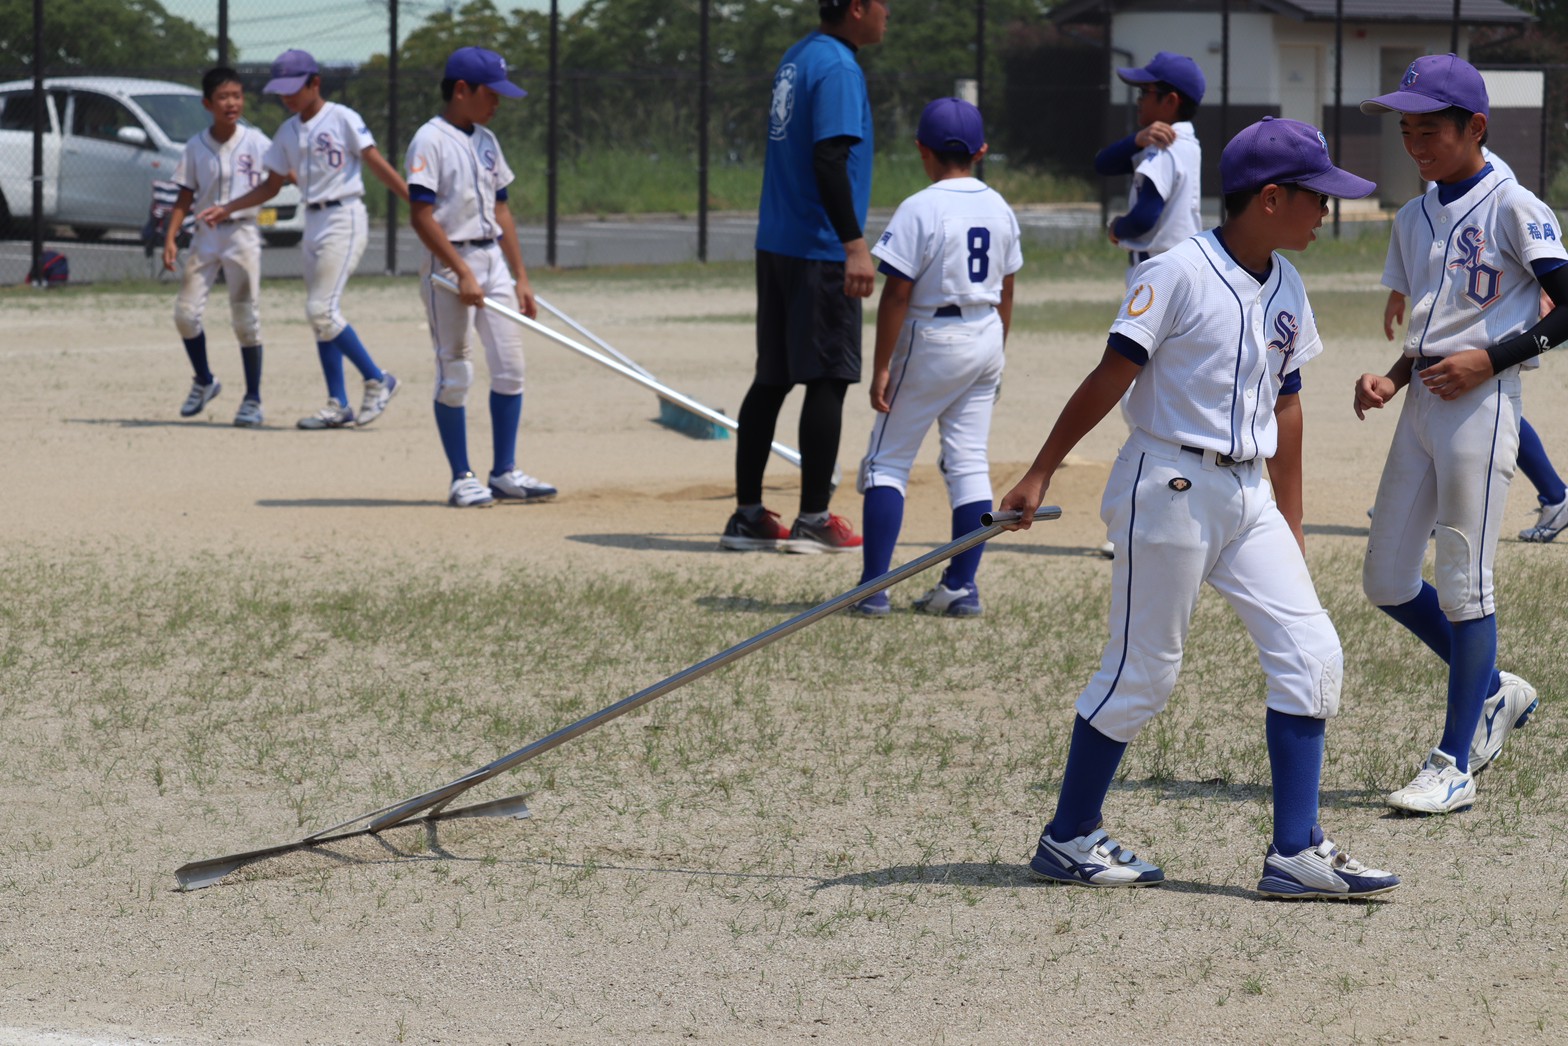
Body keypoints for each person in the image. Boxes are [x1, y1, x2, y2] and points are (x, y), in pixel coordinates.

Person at [999, 117, 1400, 899]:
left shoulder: (1286, 281)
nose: (1328, 212)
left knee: (1313, 655)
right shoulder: (1177, 271)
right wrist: (1041, 471)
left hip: (1248, 495)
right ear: (1273, 198)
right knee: (1142, 674)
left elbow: (1287, 407)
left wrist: (1292, 516)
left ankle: (1296, 851)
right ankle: (1068, 835)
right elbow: (1112, 374)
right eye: (1318, 198)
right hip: (1169, 485)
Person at [1356, 54, 1561, 814]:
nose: (1416, 143)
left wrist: (1491, 358)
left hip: (1485, 402)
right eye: (1406, 130)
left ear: (1475, 126)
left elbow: (1566, 308)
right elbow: (1428, 330)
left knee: (1464, 584)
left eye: (1430, 129)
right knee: (1385, 579)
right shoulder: (1415, 216)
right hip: (1423, 405)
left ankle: (1453, 764)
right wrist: (1392, 377)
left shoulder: (1516, 205)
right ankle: (1496, 689)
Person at [719, 0, 888, 554]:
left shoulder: (799, 55)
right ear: (857, 7)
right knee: (828, 377)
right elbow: (829, 158)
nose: (888, 13)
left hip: (779, 240)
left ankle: (747, 516)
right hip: (818, 246)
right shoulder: (838, 66)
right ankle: (813, 518)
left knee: (772, 378)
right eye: (882, 4)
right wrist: (854, 243)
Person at [851, 97, 1021, 617]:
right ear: (981, 150)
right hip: (986, 330)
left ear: (922, 150)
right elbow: (1008, 288)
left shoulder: (920, 207)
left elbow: (897, 294)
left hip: (931, 335)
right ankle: (961, 587)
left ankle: (873, 590)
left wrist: (882, 366)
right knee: (969, 461)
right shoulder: (999, 206)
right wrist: (998, 352)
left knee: (887, 461)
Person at [198, 50, 408, 430]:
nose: (287, 97)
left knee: (321, 310)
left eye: (294, 88)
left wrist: (414, 199)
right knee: (320, 316)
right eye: (281, 90)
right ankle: (337, 404)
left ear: (315, 83)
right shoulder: (287, 132)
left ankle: (378, 379)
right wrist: (227, 208)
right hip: (312, 220)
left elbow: (375, 161)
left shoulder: (342, 117)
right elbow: (271, 186)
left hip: (344, 215)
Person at [404, 47, 557, 509]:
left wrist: (521, 277)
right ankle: (462, 477)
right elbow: (421, 215)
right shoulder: (428, 140)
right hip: (448, 268)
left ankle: (505, 472)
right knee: (456, 371)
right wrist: (463, 270)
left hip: (492, 263)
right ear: (461, 90)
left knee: (511, 368)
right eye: (491, 94)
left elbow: (502, 210)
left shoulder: (487, 140)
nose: (497, 103)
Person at [1416, 147, 1568, 544]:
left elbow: (1511, 249)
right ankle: (1419, 503)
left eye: (1429, 127)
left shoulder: (1493, 174)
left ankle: (1555, 495)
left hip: (1490, 321)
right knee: (1462, 404)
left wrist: (1539, 290)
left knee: (1488, 406)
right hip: (1460, 319)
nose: (1418, 141)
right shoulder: (1439, 174)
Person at [1090, 51, 1206, 559]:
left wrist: (1116, 227)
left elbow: (1143, 217)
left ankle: (1143, 518)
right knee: (1163, 394)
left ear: (1170, 100)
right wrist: (1136, 140)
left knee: (1141, 399)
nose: (1138, 100)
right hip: (1181, 270)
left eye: (1146, 93)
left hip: (1156, 274)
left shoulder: (1165, 151)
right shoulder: (1187, 144)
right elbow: (1106, 162)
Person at [165, 66, 270, 427]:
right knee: (185, 314)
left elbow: (280, 176)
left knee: (246, 319)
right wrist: (170, 237)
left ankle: (253, 399)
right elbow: (185, 194)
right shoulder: (196, 146)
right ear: (207, 103)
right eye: (223, 97)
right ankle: (205, 381)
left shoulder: (256, 141)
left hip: (242, 233)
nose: (232, 103)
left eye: (237, 96)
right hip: (206, 236)